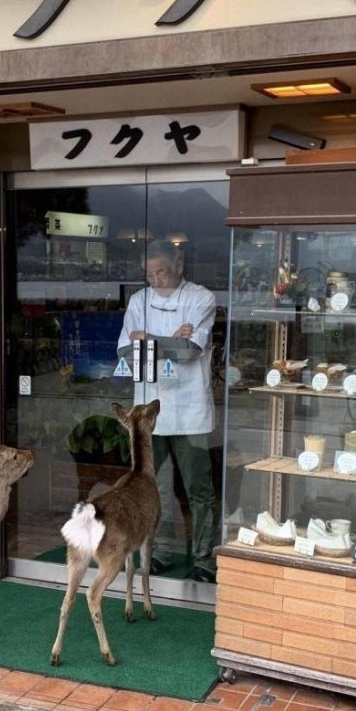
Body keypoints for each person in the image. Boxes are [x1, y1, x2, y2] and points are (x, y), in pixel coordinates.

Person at [117, 239, 218, 582]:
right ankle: (156, 551)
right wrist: (169, 341)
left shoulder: (201, 298)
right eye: (149, 274)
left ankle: (204, 557)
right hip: (148, 411)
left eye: (161, 271)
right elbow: (125, 352)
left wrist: (149, 340)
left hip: (190, 409)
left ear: (179, 267)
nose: (155, 280)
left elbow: (190, 351)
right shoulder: (138, 300)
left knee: (198, 489)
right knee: (149, 488)